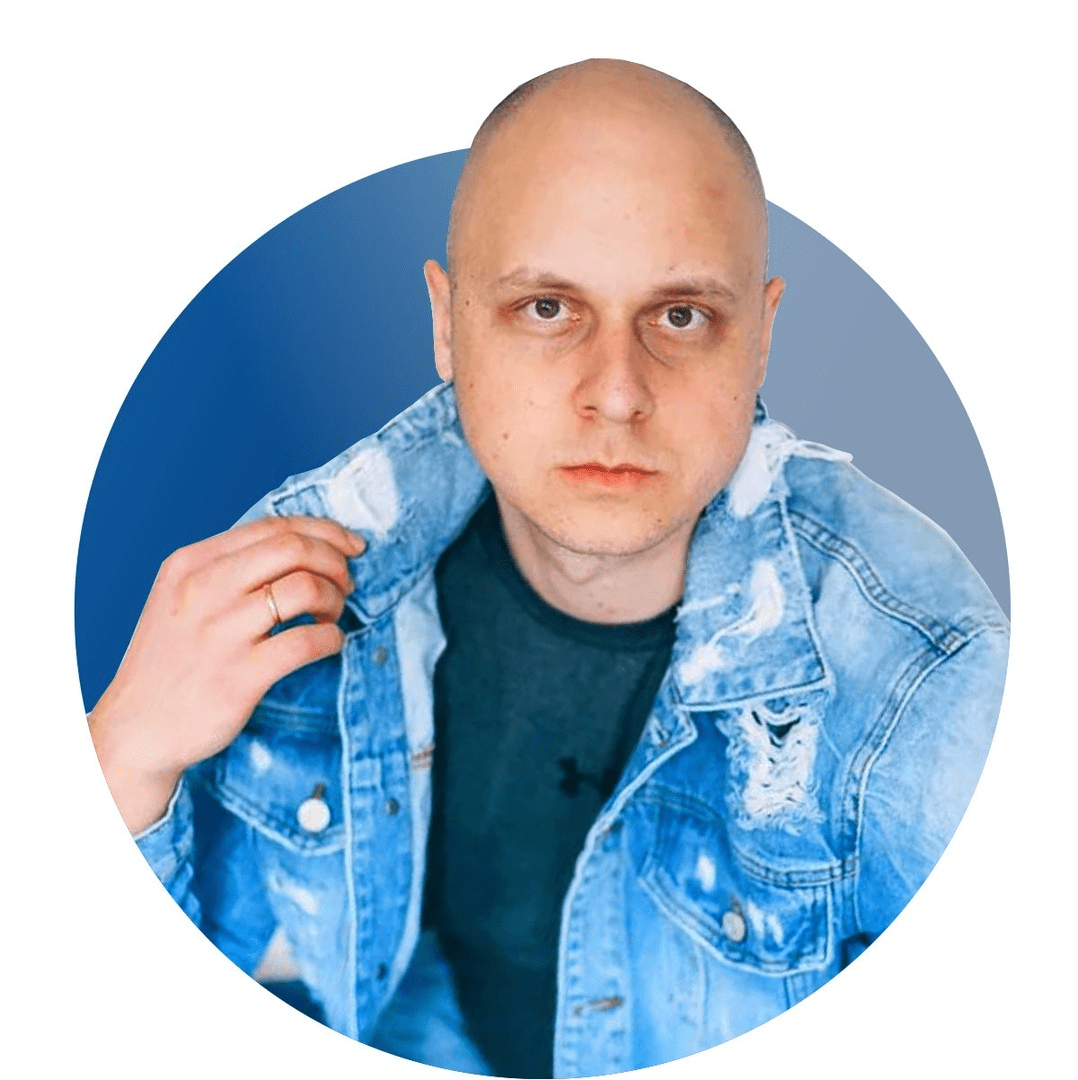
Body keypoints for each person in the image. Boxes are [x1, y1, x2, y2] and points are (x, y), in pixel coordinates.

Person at [88, 59, 1008, 1078]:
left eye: (680, 315)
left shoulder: (931, 680)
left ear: (761, 339)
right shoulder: (299, 586)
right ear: (446, 326)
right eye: (545, 308)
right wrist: (119, 761)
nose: (615, 392)